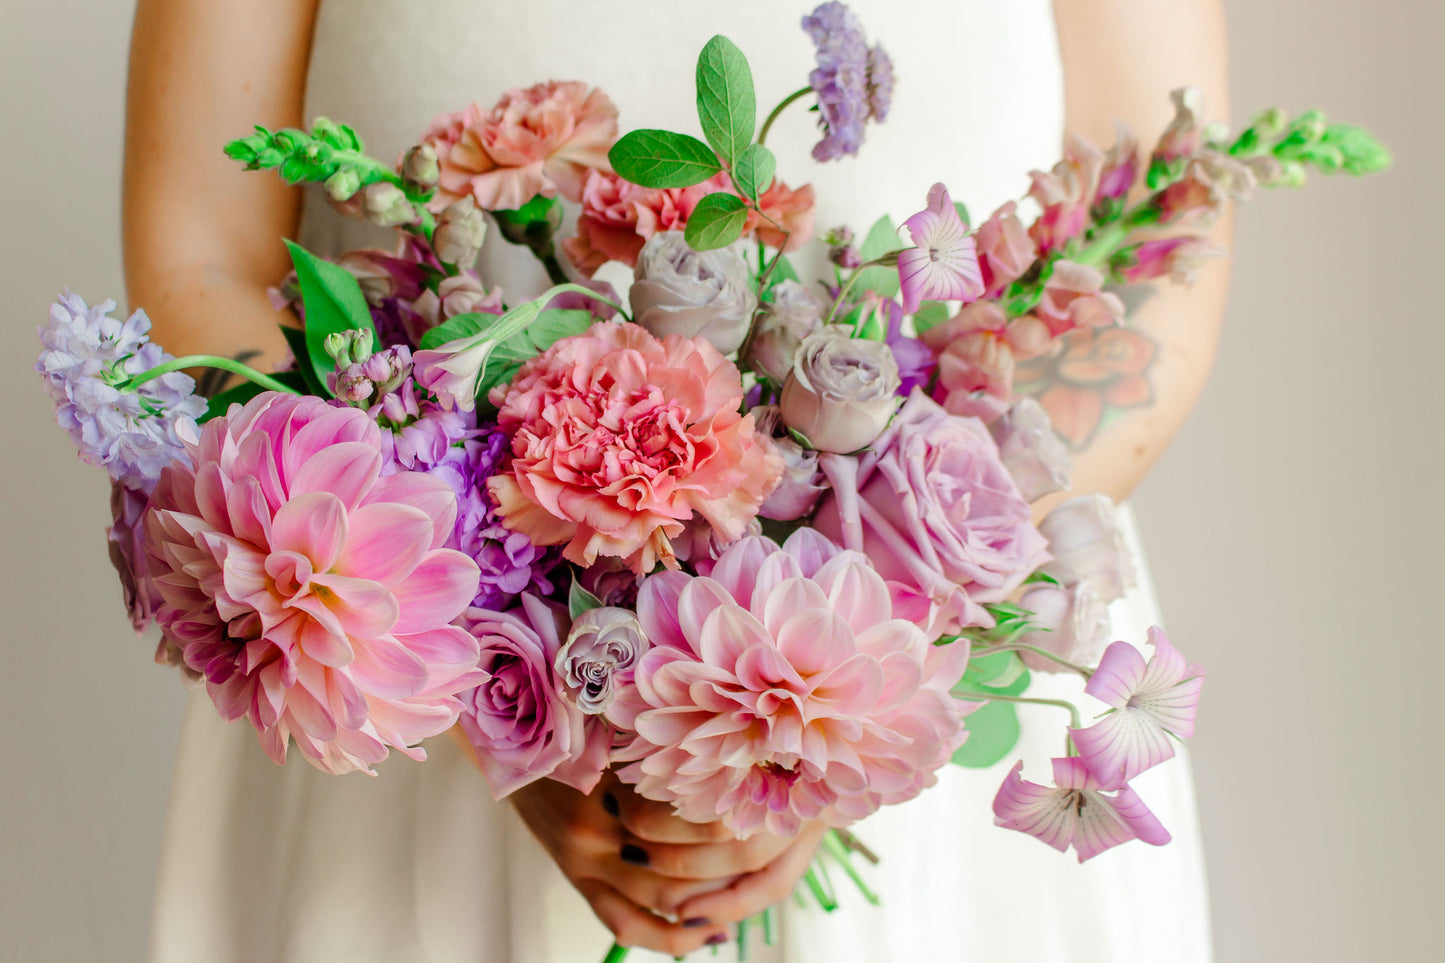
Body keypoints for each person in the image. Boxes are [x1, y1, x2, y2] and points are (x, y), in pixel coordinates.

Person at [125, 1, 1227, 959]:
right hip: (395, 689)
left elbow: (1162, 276)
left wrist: (822, 707)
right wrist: (516, 698)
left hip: (923, 720)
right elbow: (198, 252)